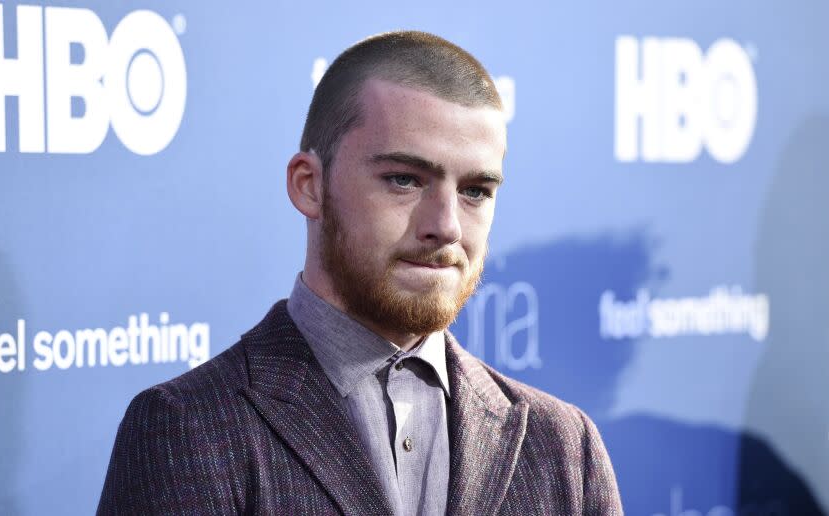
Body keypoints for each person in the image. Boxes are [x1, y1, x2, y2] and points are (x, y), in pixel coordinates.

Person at [97, 30, 623, 515]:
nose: (445, 227)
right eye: (403, 179)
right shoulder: (187, 430)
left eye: (475, 192)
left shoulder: (564, 449)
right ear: (309, 185)